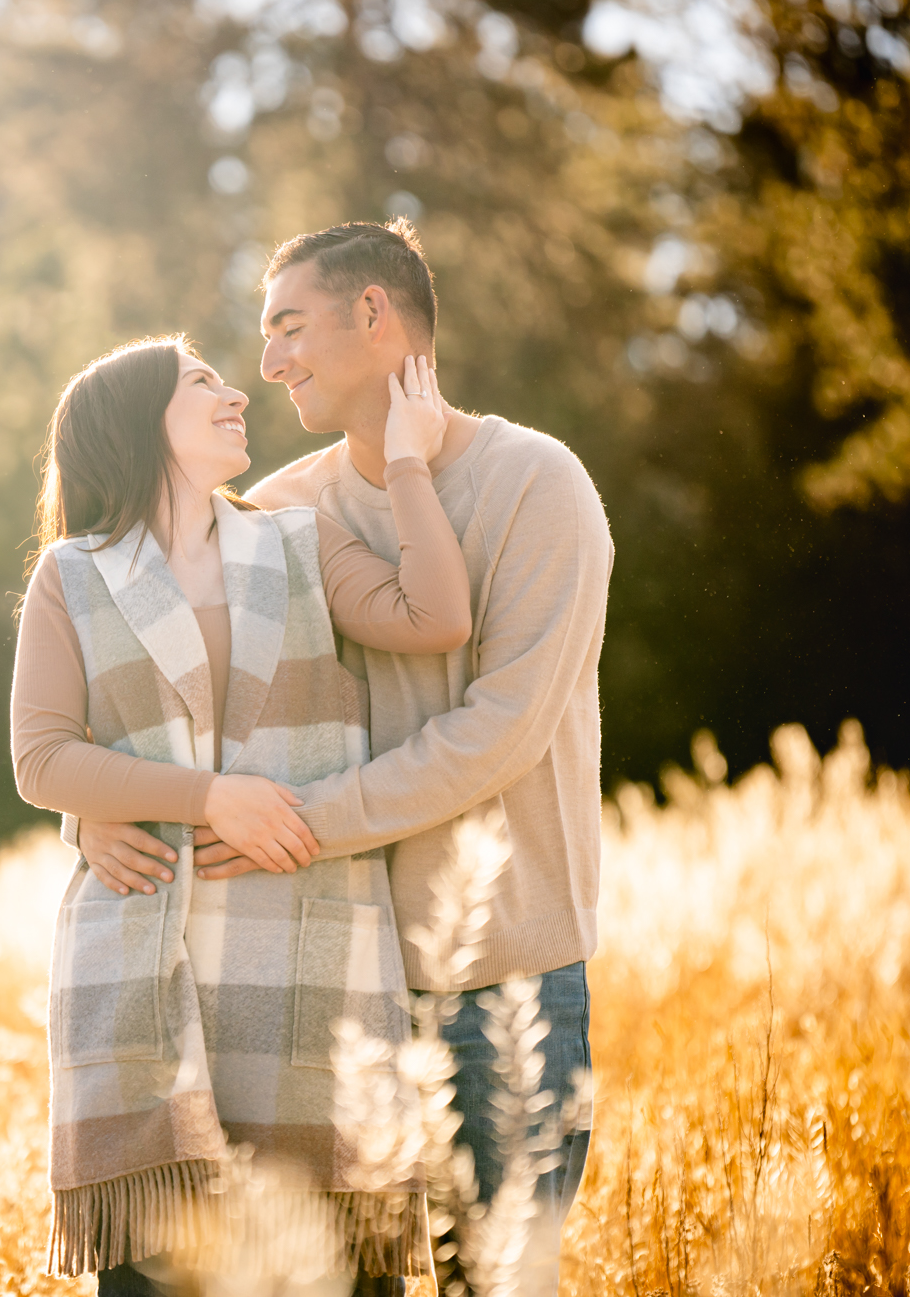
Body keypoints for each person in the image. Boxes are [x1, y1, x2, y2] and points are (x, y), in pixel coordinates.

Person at [69, 221, 614, 1297]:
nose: (267, 364)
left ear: (374, 313)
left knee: (495, 1285)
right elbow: (145, 685)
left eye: (288, 325)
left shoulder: (538, 487)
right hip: (324, 984)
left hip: (497, 984)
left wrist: (298, 819)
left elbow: (496, 733)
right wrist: (93, 809)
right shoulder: (279, 508)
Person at [12, 331, 471, 1295]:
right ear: (139, 425)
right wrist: (206, 797)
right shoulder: (74, 574)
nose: (237, 395)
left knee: (338, 1262)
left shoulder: (298, 542)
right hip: (140, 963)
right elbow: (42, 757)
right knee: (162, 1269)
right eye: (202, 383)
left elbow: (436, 617)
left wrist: (406, 462)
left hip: (308, 956)